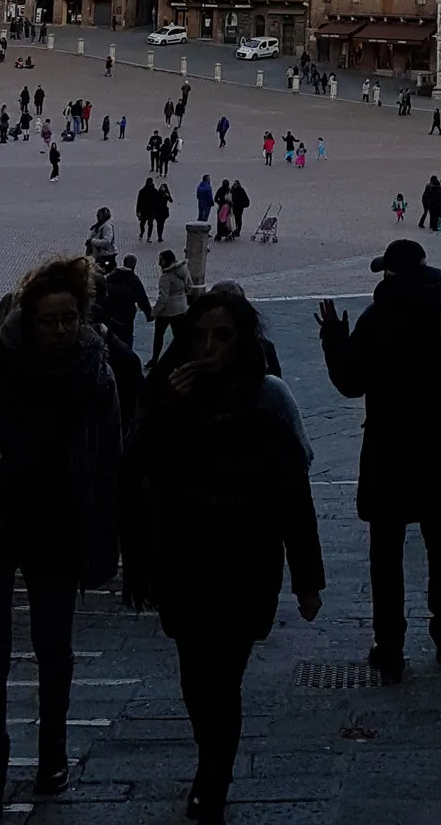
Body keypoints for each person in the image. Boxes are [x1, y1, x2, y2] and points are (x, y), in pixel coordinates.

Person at [124, 288, 323, 825]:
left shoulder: (266, 398)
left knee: (224, 677)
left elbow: (293, 491)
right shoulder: (167, 393)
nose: (209, 347)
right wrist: (166, 405)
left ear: (241, 343)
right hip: (184, 559)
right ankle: (211, 761)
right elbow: (140, 466)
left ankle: (214, 775)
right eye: (201, 336)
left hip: (245, 561)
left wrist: (308, 579)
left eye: (223, 336)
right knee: (195, 676)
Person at [0, 258, 121, 819]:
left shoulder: (96, 373)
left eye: (68, 319)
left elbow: (108, 461)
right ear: (29, 320)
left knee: (55, 651)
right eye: (49, 320)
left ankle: (52, 756)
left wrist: (105, 537)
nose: (59, 330)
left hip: (56, 524)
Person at [317, 238, 441, 679]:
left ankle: (391, 645)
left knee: (386, 552)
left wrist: (334, 339)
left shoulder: (377, 318)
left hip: (390, 449)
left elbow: (350, 382)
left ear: (390, 275)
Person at [100, 256, 153, 351]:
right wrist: (148, 314)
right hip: (127, 316)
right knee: (127, 338)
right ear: (134, 265)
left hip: (111, 314)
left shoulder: (111, 276)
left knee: (110, 336)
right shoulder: (134, 280)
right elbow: (142, 298)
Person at [152, 251, 190, 366]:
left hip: (167, 311)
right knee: (179, 336)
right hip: (181, 308)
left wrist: (154, 312)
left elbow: (163, 299)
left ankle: (155, 359)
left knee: (159, 335)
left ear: (167, 261)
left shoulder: (166, 277)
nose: (159, 263)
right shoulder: (183, 269)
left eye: (161, 260)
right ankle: (182, 358)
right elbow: (189, 286)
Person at [136, 177, 159, 242]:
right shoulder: (142, 191)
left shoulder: (154, 191)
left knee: (150, 224)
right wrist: (138, 211)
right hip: (144, 210)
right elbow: (139, 202)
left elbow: (157, 202)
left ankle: (149, 236)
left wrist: (156, 210)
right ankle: (142, 232)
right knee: (142, 224)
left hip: (151, 211)